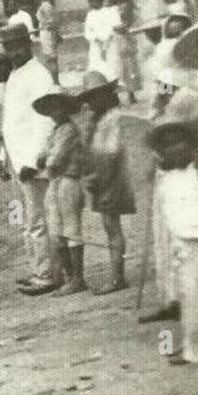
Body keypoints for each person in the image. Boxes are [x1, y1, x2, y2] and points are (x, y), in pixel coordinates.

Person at [145, 102, 198, 395]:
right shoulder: (167, 177)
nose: (174, 148)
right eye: (166, 144)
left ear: (191, 143)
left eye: (179, 141)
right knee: (196, 325)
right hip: (186, 255)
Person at [0, 24, 58, 295]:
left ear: (29, 44)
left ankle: (47, 274)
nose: (15, 52)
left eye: (19, 46)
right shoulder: (15, 75)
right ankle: (37, 267)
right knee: (28, 221)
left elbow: (45, 121)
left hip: (32, 161)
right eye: (9, 48)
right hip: (16, 156)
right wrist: (3, 156)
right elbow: (10, 122)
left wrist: (34, 161)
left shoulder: (39, 75)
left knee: (38, 219)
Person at [78, 72, 134, 294]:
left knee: (112, 227)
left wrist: (95, 177)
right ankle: (116, 274)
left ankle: (117, 277)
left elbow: (110, 154)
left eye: (97, 96)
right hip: (106, 177)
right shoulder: (101, 119)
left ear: (107, 95)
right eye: (90, 98)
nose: (92, 102)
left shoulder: (113, 118)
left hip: (112, 177)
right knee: (110, 227)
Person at [34, 89, 86, 295]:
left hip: (69, 181)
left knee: (71, 229)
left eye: (58, 107)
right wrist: (45, 160)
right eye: (52, 108)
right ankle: (70, 276)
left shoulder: (69, 130)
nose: (55, 111)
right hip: (56, 180)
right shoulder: (56, 130)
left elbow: (54, 159)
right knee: (56, 231)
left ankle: (78, 278)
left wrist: (44, 161)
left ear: (66, 108)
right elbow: (44, 155)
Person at [30, 0, 60, 83]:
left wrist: (41, 29)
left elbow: (51, 23)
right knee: (49, 58)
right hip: (45, 33)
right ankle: (53, 80)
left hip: (48, 34)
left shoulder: (46, 6)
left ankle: (56, 81)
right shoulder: (43, 6)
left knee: (52, 58)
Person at [116, 0, 141, 103]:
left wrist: (121, 28)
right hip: (132, 38)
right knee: (132, 66)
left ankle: (130, 92)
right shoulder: (134, 7)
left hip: (125, 38)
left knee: (126, 66)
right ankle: (132, 92)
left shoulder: (122, 7)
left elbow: (124, 23)